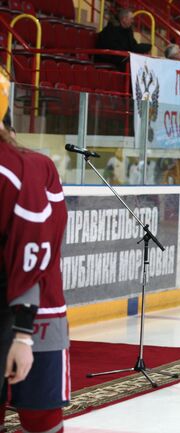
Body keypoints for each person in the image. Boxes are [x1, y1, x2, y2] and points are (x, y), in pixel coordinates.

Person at [0, 72, 69, 433]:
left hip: (36, 310)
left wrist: (24, 334)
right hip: (27, 309)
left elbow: (39, 247)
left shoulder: (29, 167)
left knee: (40, 416)